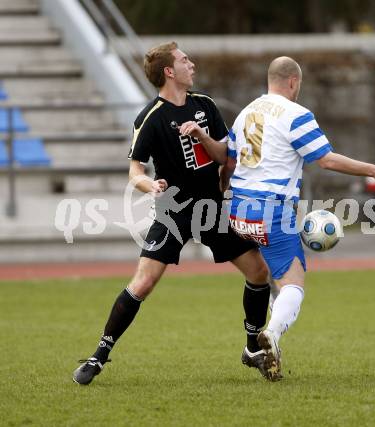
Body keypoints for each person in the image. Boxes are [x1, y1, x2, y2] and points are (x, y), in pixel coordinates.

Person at [73, 42, 273, 385]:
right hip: (174, 211)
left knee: (258, 272)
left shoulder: (204, 106)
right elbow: (135, 171)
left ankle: (253, 347)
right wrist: (148, 186)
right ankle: (99, 356)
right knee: (144, 282)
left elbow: (226, 154)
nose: (191, 64)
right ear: (169, 71)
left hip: (211, 207)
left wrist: (201, 137)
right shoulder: (150, 118)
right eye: (184, 60)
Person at [220, 56, 375, 380]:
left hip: (237, 210)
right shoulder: (296, 114)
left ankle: (261, 345)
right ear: (293, 82)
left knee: (263, 274)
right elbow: (326, 160)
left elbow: (230, 164)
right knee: (293, 284)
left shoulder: (245, 113)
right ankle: (271, 336)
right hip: (272, 209)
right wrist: (374, 169)